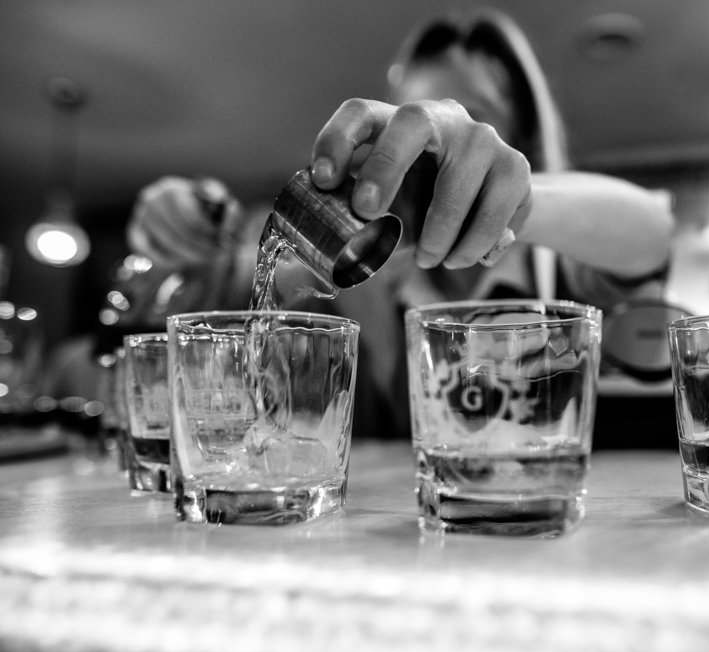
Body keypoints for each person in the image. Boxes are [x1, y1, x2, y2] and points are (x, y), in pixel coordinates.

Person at [125, 9, 675, 437]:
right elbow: (222, 282)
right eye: (420, 115)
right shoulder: (351, 276)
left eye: (471, 112)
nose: (439, 140)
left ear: (519, 135)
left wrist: (521, 203)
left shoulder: (570, 268)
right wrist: (180, 222)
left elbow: (650, 233)